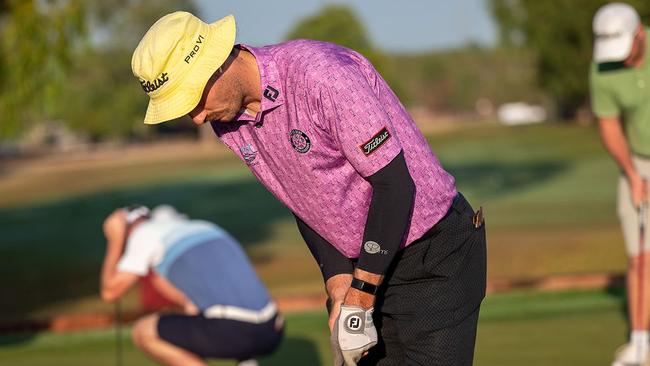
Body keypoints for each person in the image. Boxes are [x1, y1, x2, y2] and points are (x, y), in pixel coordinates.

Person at [130, 12, 487, 365]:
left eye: (193, 98)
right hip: (366, 265)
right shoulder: (228, 123)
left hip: (434, 254)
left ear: (217, 62)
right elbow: (304, 200)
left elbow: (394, 185)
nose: (195, 117)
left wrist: (361, 295)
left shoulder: (322, 75)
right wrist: (337, 282)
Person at [100, 204, 283, 366]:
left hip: (236, 331)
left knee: (143, 332)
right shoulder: (204, 226)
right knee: (196, 316)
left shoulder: (144, 234)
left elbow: (110, 292)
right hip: (273, 329)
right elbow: (185, 300)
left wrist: (115, 240)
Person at [590, 3, 650, 366]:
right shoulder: (603, 68)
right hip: (639, 161)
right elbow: (610, 126)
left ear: (639, 35)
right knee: (639, 254)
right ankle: (641, 343)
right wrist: (632, 173)